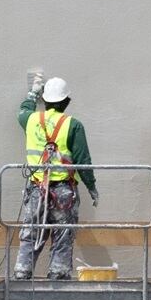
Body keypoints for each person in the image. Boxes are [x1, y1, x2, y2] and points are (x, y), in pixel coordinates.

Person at [14, 73, 98, 280]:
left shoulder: (31, 119)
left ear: (45, 99)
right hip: (63, 191)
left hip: (37, 188)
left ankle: (22, 274)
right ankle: (58, 277)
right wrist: (92, 187)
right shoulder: (73, 125)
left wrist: (33, 92)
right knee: (63, 233)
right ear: (66, 101)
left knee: (31, 232)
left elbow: (22, 110)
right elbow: (82, 161)